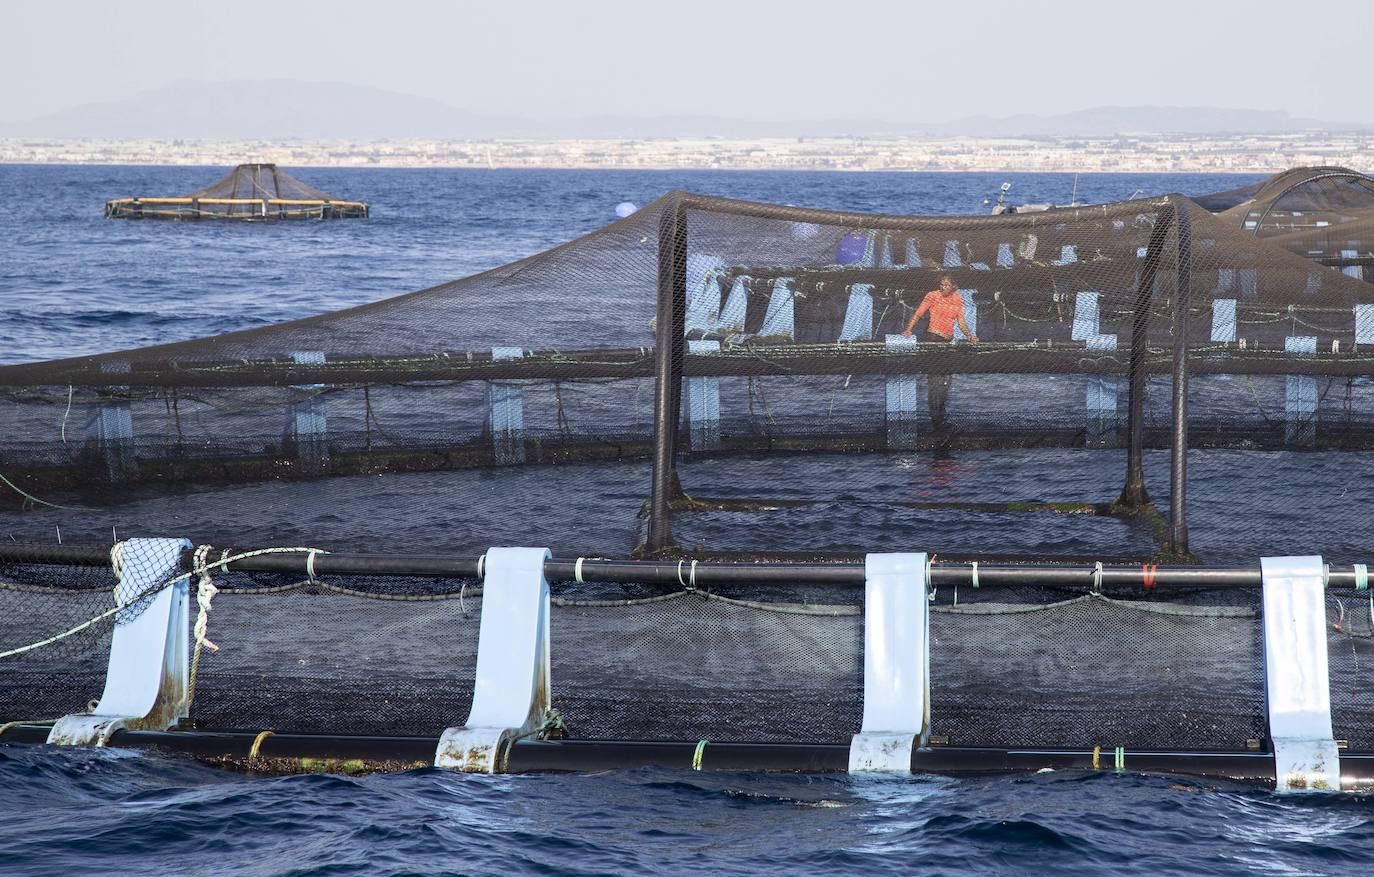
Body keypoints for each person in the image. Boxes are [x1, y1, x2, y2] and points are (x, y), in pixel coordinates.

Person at [901, 274, 978, 430]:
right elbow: (918, 313)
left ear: (954, 286)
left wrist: (969, 335)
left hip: (947, 341)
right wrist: (908, 329)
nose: (943, 287)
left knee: (946, 380)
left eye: (947, 285)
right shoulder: (932, 295)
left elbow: (961, 321)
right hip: (933, 338)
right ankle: (936, 419)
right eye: (942, 284)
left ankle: (941, 415)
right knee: (935, 380)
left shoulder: (957, 298)